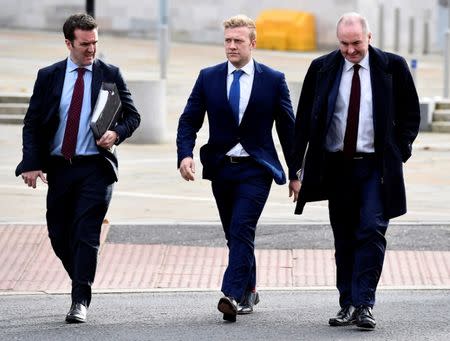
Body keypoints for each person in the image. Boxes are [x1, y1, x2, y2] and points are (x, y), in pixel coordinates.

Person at [293, 12, 420, 329]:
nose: (350, 50)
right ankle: (347, 303)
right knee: (345, 237)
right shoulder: (322, 67)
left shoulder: (392, 66)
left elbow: (410, 114)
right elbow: (304, 119)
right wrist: (297, 168)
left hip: (375, 167)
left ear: (369, 38)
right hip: (337, 167)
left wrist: (398, 152)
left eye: (356, 44)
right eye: (344, 44)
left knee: (372, 229)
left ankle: (364, 304)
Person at [15, 13, 140, 323]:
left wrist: (117, 133)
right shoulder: (49, 76)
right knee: (58, 233)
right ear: (69, 42)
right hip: (60, 168)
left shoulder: (110, 74)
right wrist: (31, 163)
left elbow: (133, 117)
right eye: (85, 44)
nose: (92, 50)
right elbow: (32, 123)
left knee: (86, 234)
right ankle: (81, 279)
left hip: (96, 168)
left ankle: (79, 299)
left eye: (95, 42)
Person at [177, 14, 299, 322]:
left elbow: (288, 130)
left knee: (242, 228)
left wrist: (296, 174)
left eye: (238, 41)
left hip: (257, 168)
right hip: (221, 168)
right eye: (228, 41)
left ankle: (230, 293)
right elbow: (189, 119)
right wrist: (185, 154)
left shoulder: (273, 79)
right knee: (236, 235)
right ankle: (250, 290)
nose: (231, 46)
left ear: (252, 44)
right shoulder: (208, 77)